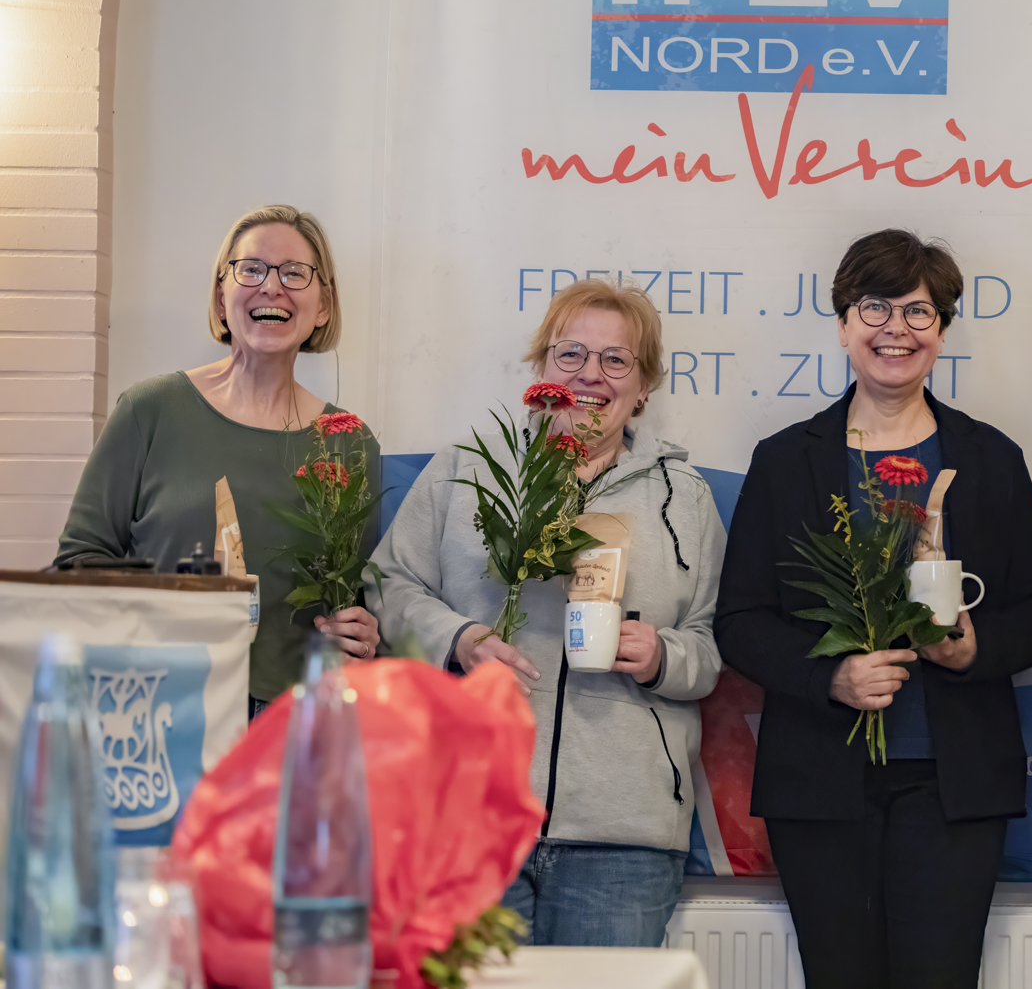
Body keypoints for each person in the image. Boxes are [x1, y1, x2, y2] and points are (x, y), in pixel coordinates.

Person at [715, 230, 1032, 989]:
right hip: (819, 782)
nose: (895, 329)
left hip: (955, 783)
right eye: (874, 308)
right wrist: (829, 677)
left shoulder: (991, 459)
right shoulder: (786, 460)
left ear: (942, 332)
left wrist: (973, 647)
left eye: (918, 312)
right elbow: (739, 621)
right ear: (843, 324)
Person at [369, 278, 724, 948]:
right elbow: (389, 586)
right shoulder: (466, 469)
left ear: (644, 387)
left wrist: (662, 657)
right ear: (541, 367)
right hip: (471, 818)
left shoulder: (687, 498)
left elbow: (709, 646)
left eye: (616, 359)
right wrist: (460, 639)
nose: (591, 374)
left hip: (623, 839)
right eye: (571, 354)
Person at [57, 205, 382, 711]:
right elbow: (78, 562)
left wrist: (362, 632)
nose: (271, 287)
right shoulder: (150, 410)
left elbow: (358, 595)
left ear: (323, 305)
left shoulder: (350, 442)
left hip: (295, 718)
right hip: (159, 707)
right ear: (220, 296)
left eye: (295, 273)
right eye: (251, 270)